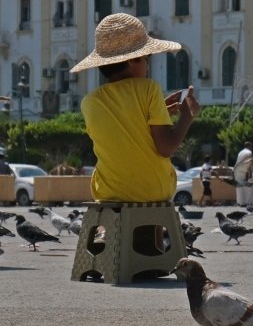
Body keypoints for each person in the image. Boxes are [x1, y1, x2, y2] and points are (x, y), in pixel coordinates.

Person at [72, 13, 198, 203]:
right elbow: (166, 148)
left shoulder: (89, 102)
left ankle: (110, 233)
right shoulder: (149, 88)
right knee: (154, 211)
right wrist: (187, 117)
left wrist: (155, 109)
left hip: (109, 192)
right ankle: (156, 233)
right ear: (132, 59)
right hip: (154, 189)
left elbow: (122, 131)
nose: (148, 66)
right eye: (147, 59)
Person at [233, 141, 253, 207]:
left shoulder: (240, 152)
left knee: (239, 187)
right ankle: (249, 202)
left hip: (237, 170)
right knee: (248, 187)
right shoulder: (249, 152)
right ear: (249, 146)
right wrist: (249, 173)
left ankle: (241, 202)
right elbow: (249, 163)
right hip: (244, 170)